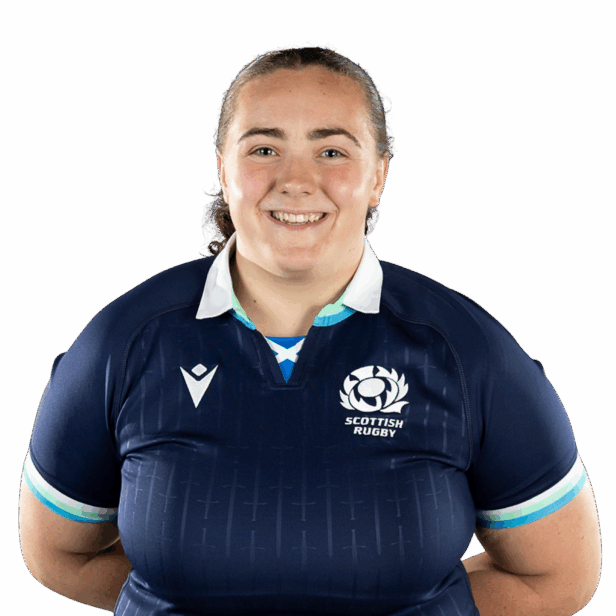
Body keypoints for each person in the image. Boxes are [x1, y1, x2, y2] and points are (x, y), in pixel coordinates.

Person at [19, 46, 601, 616]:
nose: (295, 180)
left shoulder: (466, 350)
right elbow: (58, 554)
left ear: (378, 175)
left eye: (331, 151)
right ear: (223, 169)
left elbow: (557, 576)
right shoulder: (123, 341)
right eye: (264, 148)